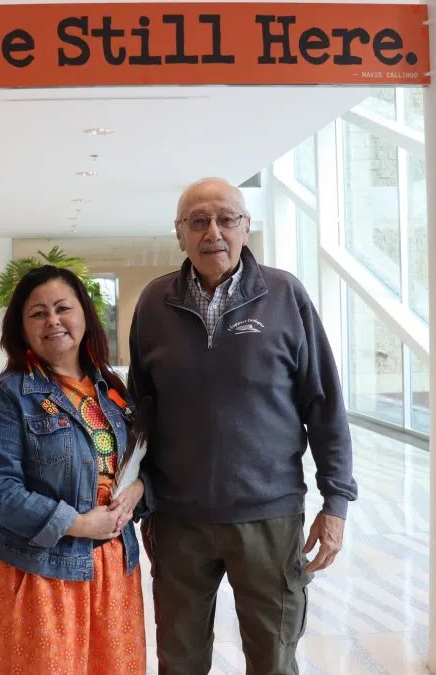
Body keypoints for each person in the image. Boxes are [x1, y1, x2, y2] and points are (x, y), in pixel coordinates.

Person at [128, 177, 358, 675]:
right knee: (179, 661)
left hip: (269, 520)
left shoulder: (285, 296)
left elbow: (325, 406)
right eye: (198, 221)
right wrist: (142, 499)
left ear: (246, 227)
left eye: (226, 218)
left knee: (274, 660)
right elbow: (140, 414)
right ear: (180, 233)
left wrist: (335, 503)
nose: (213, 231)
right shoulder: (153, 304)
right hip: (179, 522)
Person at [0, 265, 148, 675]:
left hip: (114, 566)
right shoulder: (9, 395)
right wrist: (78, 525)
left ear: (85, 315)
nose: (53, 320)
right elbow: (1, 492)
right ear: (22, 327)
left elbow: (141, 461)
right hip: (41, 570)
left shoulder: (112, 388)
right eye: (38, 313)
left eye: (63, 308)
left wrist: (139, 489)